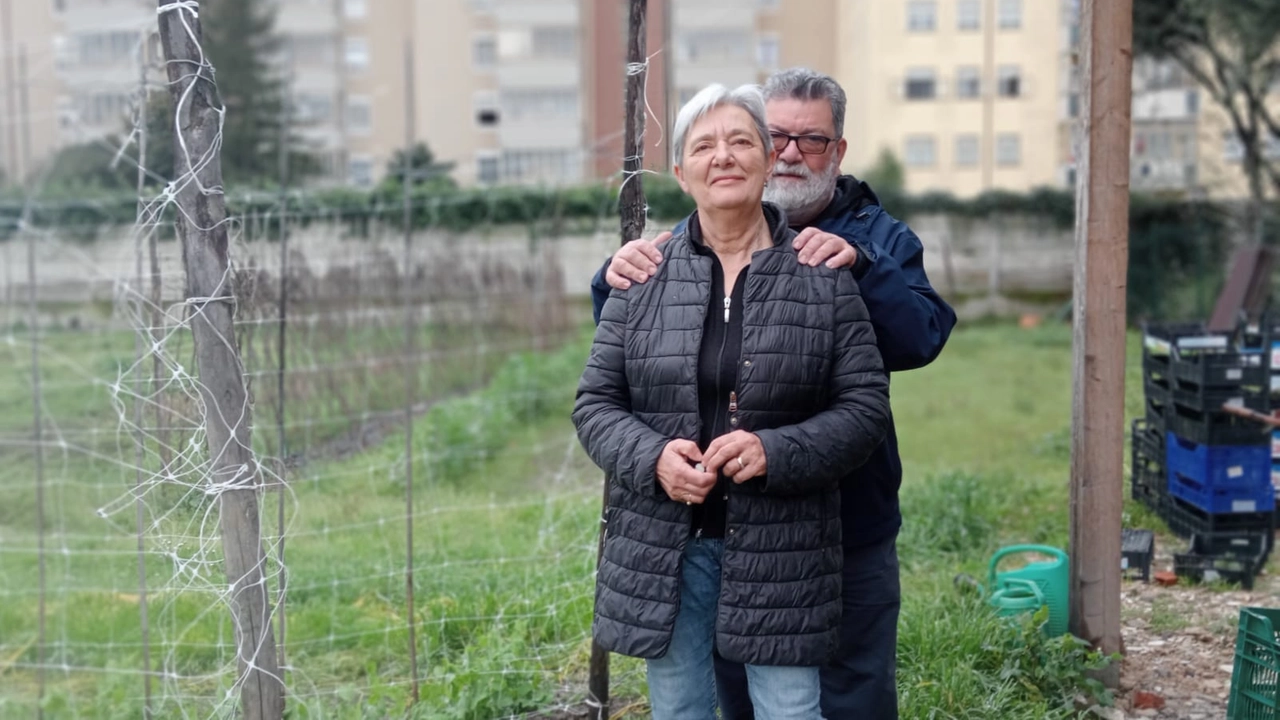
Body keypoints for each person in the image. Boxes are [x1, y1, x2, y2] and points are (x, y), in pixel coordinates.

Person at [590, 68, 957, 719]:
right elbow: (625, 368)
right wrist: (610, 277)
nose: (789, 152)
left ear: (837, 151)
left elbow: (918, 341)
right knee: (718, 691)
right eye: (777, 134)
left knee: (842, 690)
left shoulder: (870, 243)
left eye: (808, 140)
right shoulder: (674, 248)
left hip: (843, 516)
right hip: (702, 525)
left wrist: (859, 265)